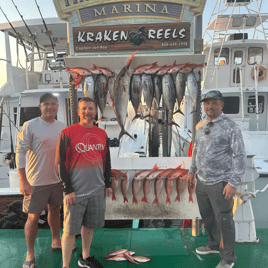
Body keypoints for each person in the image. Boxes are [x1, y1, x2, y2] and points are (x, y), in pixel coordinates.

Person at [187, 90, 247, 268]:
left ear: (222, 105)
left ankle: (228, 259)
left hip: (221, 182)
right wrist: (192, 171)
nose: (210, 106)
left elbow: (240, 155)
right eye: (207, 103)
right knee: (208, 217)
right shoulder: (201, 125)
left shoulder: (231, 127)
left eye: (214, 103)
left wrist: (233, 183)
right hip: (202, 181)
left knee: (224, 220)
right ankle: (213, 244)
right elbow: (196, 150)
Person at [56, 97, 112, 268]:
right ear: (79, 112)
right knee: (69, 231)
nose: (87, 112)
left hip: (97, 190)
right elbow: (59, 164)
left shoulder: (102, 133)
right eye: (84, 109)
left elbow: (106, 160)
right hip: (75, 193)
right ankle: (65, 265)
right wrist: (67, 189)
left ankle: (85, 257)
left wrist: (108, 183)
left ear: (96, 111)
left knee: (89, 226)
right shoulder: (67, 133)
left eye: (91, 108)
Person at [16, 93, 67, 268]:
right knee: (33, 217)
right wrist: (23, 180)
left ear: (57, 107)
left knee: (55, 211)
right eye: (47, 104)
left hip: (56, 179)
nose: (50, 107)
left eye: (54, 104)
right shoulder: (30, 125)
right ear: (40, 106)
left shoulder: (62, 127)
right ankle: (30, 252)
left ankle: (56, 241)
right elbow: (20, 153)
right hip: (36, 181)